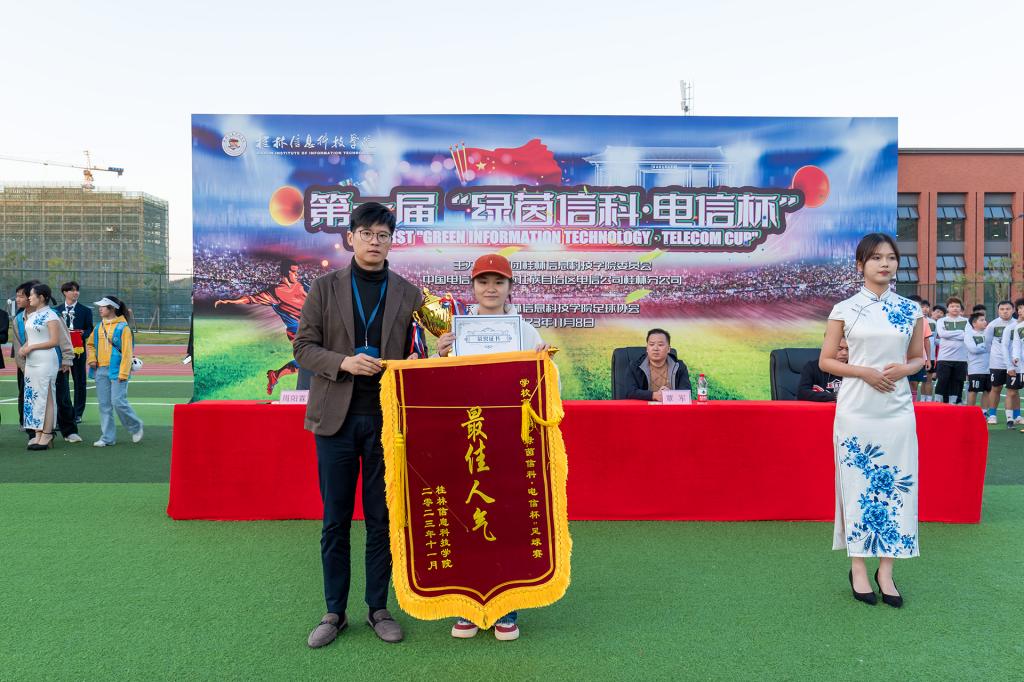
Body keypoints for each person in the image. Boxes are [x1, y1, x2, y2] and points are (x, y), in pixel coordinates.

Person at [292, 202, 423, 649]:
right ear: (351, 238)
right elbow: (303, 347)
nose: (374, 241)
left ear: (391, 241)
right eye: (366, 233)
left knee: (381, 520)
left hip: (387, 420)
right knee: (335, 520)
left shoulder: (408, 293)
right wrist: (343, 362)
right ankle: (334, 611)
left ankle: (377, 608)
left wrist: (439, 350)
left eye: (383, 235)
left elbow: (420, 351)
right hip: (336, 420)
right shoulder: (324, 287)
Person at [435, 253, 550, 641]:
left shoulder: (526, 332)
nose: (490, 288)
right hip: (466, 439)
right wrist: (439, 356)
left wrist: (543, 364)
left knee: (507, 520)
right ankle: (467, 607)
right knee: (464, 519)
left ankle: (506, 609)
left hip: (508, 441)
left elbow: (546, 387)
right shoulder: (456, 331)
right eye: (483, 281)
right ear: (472, 287)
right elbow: (436, 389)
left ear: (509, 287)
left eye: (498, 282)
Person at [820, 233, 925, 608]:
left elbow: (919, 358)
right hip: (856, 409)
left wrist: (905, 369)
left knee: (896, 487)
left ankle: (887, 571)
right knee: (857, 486)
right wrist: (863, 371)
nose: (885, 263)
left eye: (891, 258)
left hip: (896, 409)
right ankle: (859, 567)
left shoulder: (911, 310)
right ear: (860, 264)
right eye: (877, 257)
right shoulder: (844, 309)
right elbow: (826, 361)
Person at [215, 259, 310, 395]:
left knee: (308, 362)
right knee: (312, 360)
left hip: (312, 328)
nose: (297, 275)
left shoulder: (302, 286)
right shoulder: (275, 292)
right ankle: (301, 390)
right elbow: (251, 299)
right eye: (294, 272)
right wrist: (230, 301)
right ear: (285, 272)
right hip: (297, 331)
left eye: (297, 272)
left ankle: (275, 375)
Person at [86, 296, 144, 447]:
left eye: (103, 306)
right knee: (104, 405)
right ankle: (107, 438)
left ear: (112, 308)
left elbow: (127, 353)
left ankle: (135, 426)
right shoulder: (99, 326)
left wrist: (123, 373)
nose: (100, 309)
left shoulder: (123, 328)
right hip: (100, 370)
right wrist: (92, 358)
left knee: (118, 402)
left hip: (117, 371)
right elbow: (90, 344)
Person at [19, 284, 63, 450]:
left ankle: (47, 433)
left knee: (47, 395)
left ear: (42, 297)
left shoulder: (51, 315)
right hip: (32, 362)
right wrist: (24, 347)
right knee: (33, 397)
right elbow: (31, 338)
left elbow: (54, 341)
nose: (29, 297)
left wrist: (31, 347)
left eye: (31, 295)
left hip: (46, 361)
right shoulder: (32, 316)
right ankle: (37, 432)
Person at [613, 328, 692, 402]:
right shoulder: (635, 367)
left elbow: (687, 391)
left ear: (668, 349)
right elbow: (630, 392)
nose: (655, 348)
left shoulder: (679, 366)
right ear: (647, 348)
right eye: (651, 344)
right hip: (644, 409)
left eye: (660, 345)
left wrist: (669, 394)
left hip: (671, 409)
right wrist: (654, 395)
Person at [57, 281, 94, 422]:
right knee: (62, 382)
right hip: (61, 352)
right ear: (65, 292)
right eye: (72, 290)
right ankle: (64, 412)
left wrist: (82, 334)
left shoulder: (85, 310)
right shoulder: (57, 310)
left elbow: (90, 328)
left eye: (77, 290)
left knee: (80, 382)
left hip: (78, 351)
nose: (76, 292)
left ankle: (78, 413)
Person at [11, 280, 40, 434]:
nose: (17, 299)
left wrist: (65, 359)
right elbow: (17, 347)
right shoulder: (18, 319)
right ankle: (25, 422)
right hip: (25, 365)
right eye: (17, 296)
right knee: (24, 393)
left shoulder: (48, 316)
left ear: (31, 297)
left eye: (21, 296)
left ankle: (66, 428)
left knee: (53, 395)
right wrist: (23, 367)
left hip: (44, 362)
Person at [984, 300, 1015, 425]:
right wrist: (996, 355)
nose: (1005, 311)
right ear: (998, 311)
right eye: (1002, 309)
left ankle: (1015, 416)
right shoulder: (992, 325)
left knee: (1013, 390)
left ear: (1013, 310)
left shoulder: (1018, 324)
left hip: (1014, 364)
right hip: (997, 363)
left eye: (1008, 309)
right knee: (996, 388)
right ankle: (992, 415)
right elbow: (987, 343)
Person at [934, 297, 969, 404]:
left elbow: (967, 336)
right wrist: (960, 332)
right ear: (948, 308)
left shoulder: (966, 321)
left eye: (957, 306)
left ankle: (953, 404)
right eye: (952, 306)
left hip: (961, 358)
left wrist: (950, 334)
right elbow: (942, 334)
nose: (955, 308)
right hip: (944, 357)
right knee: (942, 380)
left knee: (956, 382)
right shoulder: (941, 321)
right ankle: (937, 403)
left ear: (961, 308)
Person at [798, 337, 848, 402]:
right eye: (839, 349)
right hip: (821, 408)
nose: (844, 353)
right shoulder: (812, 367)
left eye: (848, 349)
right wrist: (835, 396)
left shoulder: (854, 367)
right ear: (827, 349)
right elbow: (802, 393)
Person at [1004, 298, 1024, 427]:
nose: (1019, 311)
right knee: (1012, 391)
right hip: (1021, 367)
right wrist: (1015, 357)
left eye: (1022, 308)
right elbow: (1016, 344)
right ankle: (1011, 419)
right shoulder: (1018, 327)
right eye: (1019, 308)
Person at [964, 311, 989, 408]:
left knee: (988, 391)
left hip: (989, 368)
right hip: (975, 368)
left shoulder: (989, 334)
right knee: (973, 390)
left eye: (985, 320)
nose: (985, 322)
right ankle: (970, 412)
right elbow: (973, 349)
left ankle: (984, 412)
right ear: (974, 323)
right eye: (981, 320)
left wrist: (982, 347)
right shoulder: (969, 335)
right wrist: (987, 347)